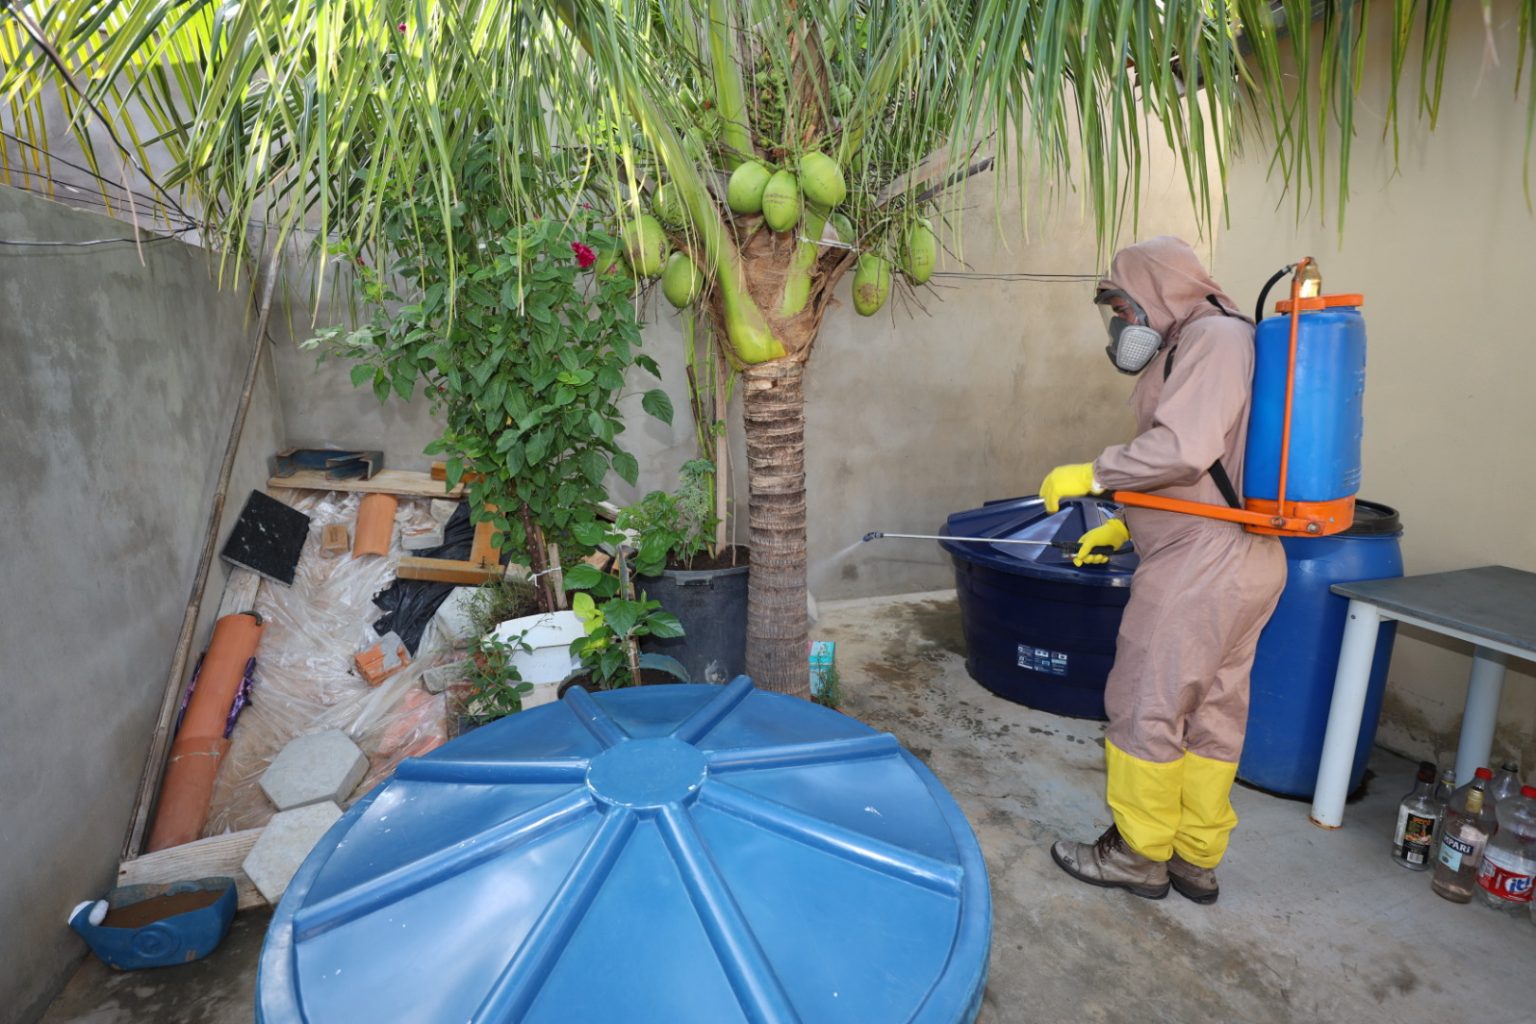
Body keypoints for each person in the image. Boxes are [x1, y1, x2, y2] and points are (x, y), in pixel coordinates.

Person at [1038, 236, 1287, 904]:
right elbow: (1214, 465)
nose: (1121, 325)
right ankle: (1193, 856)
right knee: (1212, 711)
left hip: (1202, 564)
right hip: (1235, 554)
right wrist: (1131, 519)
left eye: (1124, 306)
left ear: (1159, 289)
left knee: (1147, 701)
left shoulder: (1213, 339)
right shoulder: (1212, 339)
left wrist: (1096, 473)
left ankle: (1137, 854)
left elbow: (1184, 447)